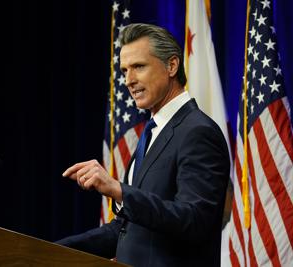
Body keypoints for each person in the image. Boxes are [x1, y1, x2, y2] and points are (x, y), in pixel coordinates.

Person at [57, 23, 230, 267]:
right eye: (124, 70)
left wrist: (118, 190)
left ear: (172, 65)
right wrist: (49, 250)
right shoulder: (152, 134)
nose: (128, 80)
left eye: (138, 67)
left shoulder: (197, 132)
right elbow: (127, 229)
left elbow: (194, 221)